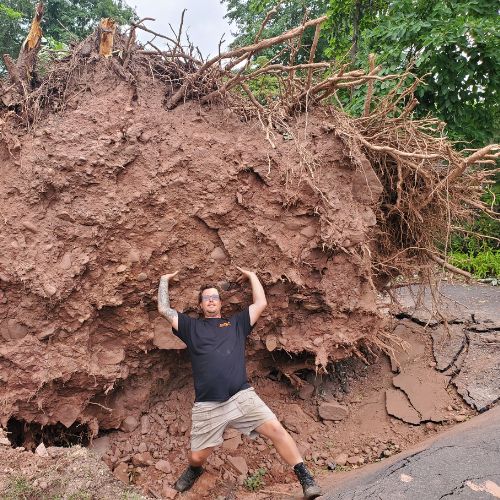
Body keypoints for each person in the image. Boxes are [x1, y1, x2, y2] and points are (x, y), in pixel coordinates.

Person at [157, 268, 322, 499]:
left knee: (276, 429)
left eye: (214, 297)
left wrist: (253, 276)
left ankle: (306, 478)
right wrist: (164, 280)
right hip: (208, 405)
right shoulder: (191, 327)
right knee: (196, 457)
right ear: (201, 305)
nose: (211, 300)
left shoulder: (236, 324)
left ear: (220, 303)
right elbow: (164, 309)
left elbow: (260, 303)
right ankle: (195, 470)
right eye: (206, 298)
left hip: (241, 396)